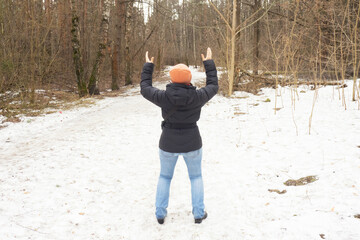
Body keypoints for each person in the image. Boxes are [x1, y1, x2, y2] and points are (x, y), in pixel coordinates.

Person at [140, 48, 218, 224]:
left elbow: (145, 89)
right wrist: (209, 64)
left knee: (164, 177)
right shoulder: (197, 96)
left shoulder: (164, 97)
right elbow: (213, 86)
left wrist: (148, 66)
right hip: (192, 142)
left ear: (172, 79)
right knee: (196, 177)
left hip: (168, 142)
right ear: (189, 79)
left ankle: (160, 214)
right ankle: (198, 214)